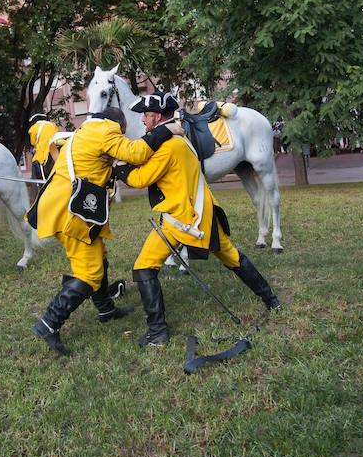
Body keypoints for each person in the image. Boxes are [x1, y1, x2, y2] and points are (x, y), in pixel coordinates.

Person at [114, 92, 281, 347]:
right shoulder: (179, 139)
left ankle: (158, 333)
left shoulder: (169, 147)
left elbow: (139, 179)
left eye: (147, 116)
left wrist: (118, 167)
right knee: (233, 257)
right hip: (204, 214)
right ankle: (272, 300)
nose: (144, 121)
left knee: (143, 267)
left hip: (182, 220)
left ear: (157, 116)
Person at [27, 107, 180, 356]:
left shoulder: (86, 130)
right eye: (123, 131)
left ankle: (106, 309)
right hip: (70, 213)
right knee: (89, 273)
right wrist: (165, 130)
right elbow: (136, 152)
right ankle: (48, 324)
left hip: (64, 206)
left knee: (99, 255)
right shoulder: (106, 129)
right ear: (118, 124)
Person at [27, 112, 59, 181]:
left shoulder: (33, 128)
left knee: (36, 161)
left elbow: (33, 142)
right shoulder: (53, 125)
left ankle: (41, 180)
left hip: (43, 147)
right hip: (55, 145)